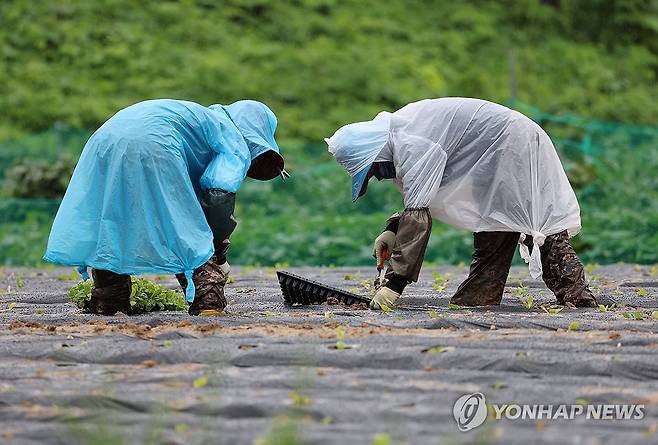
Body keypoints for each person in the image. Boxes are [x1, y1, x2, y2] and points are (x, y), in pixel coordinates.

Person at [325, 97, 596, 310]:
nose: (378, 177)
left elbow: (418, 213)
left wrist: (394, 284)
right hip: (496, 146)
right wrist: (393, 230)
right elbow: (423, 195)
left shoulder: (412, 144)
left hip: (511, 142)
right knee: (495, 222)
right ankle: (479, 297)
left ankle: (577, 297)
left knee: (537, 224)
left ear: (376, 153)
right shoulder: (402, 134)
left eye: (372, 171)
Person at [45, 99, 287, 316]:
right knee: (191, 231)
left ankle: (109, 299)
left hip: (105, 140)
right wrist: (215, 246)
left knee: (113, 219)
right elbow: (218, 195)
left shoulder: (200, 122)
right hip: (158, 143)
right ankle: (208, 300)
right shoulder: (231, 137)